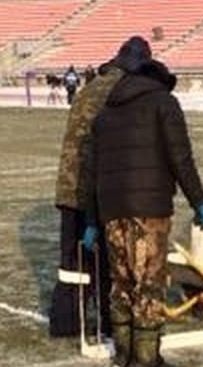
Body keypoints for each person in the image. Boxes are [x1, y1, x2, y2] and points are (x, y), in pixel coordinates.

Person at [84, 37, 203, 367]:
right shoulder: (164, 104)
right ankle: (146, 362)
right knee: (149, 284)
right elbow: (180, 157)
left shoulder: (105, 115)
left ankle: (122, 356)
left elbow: (91, 173)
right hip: (149, 210)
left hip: (112, 211)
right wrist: (198, 200)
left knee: (122, 282)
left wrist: (93, 220)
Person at [50, 40, 150, 338]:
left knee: (72, 263)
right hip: (98, 188)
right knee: (110, 262)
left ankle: (66, 322)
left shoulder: (90, 87)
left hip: (69, 187)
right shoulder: (119, 92)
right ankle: (110, 324)